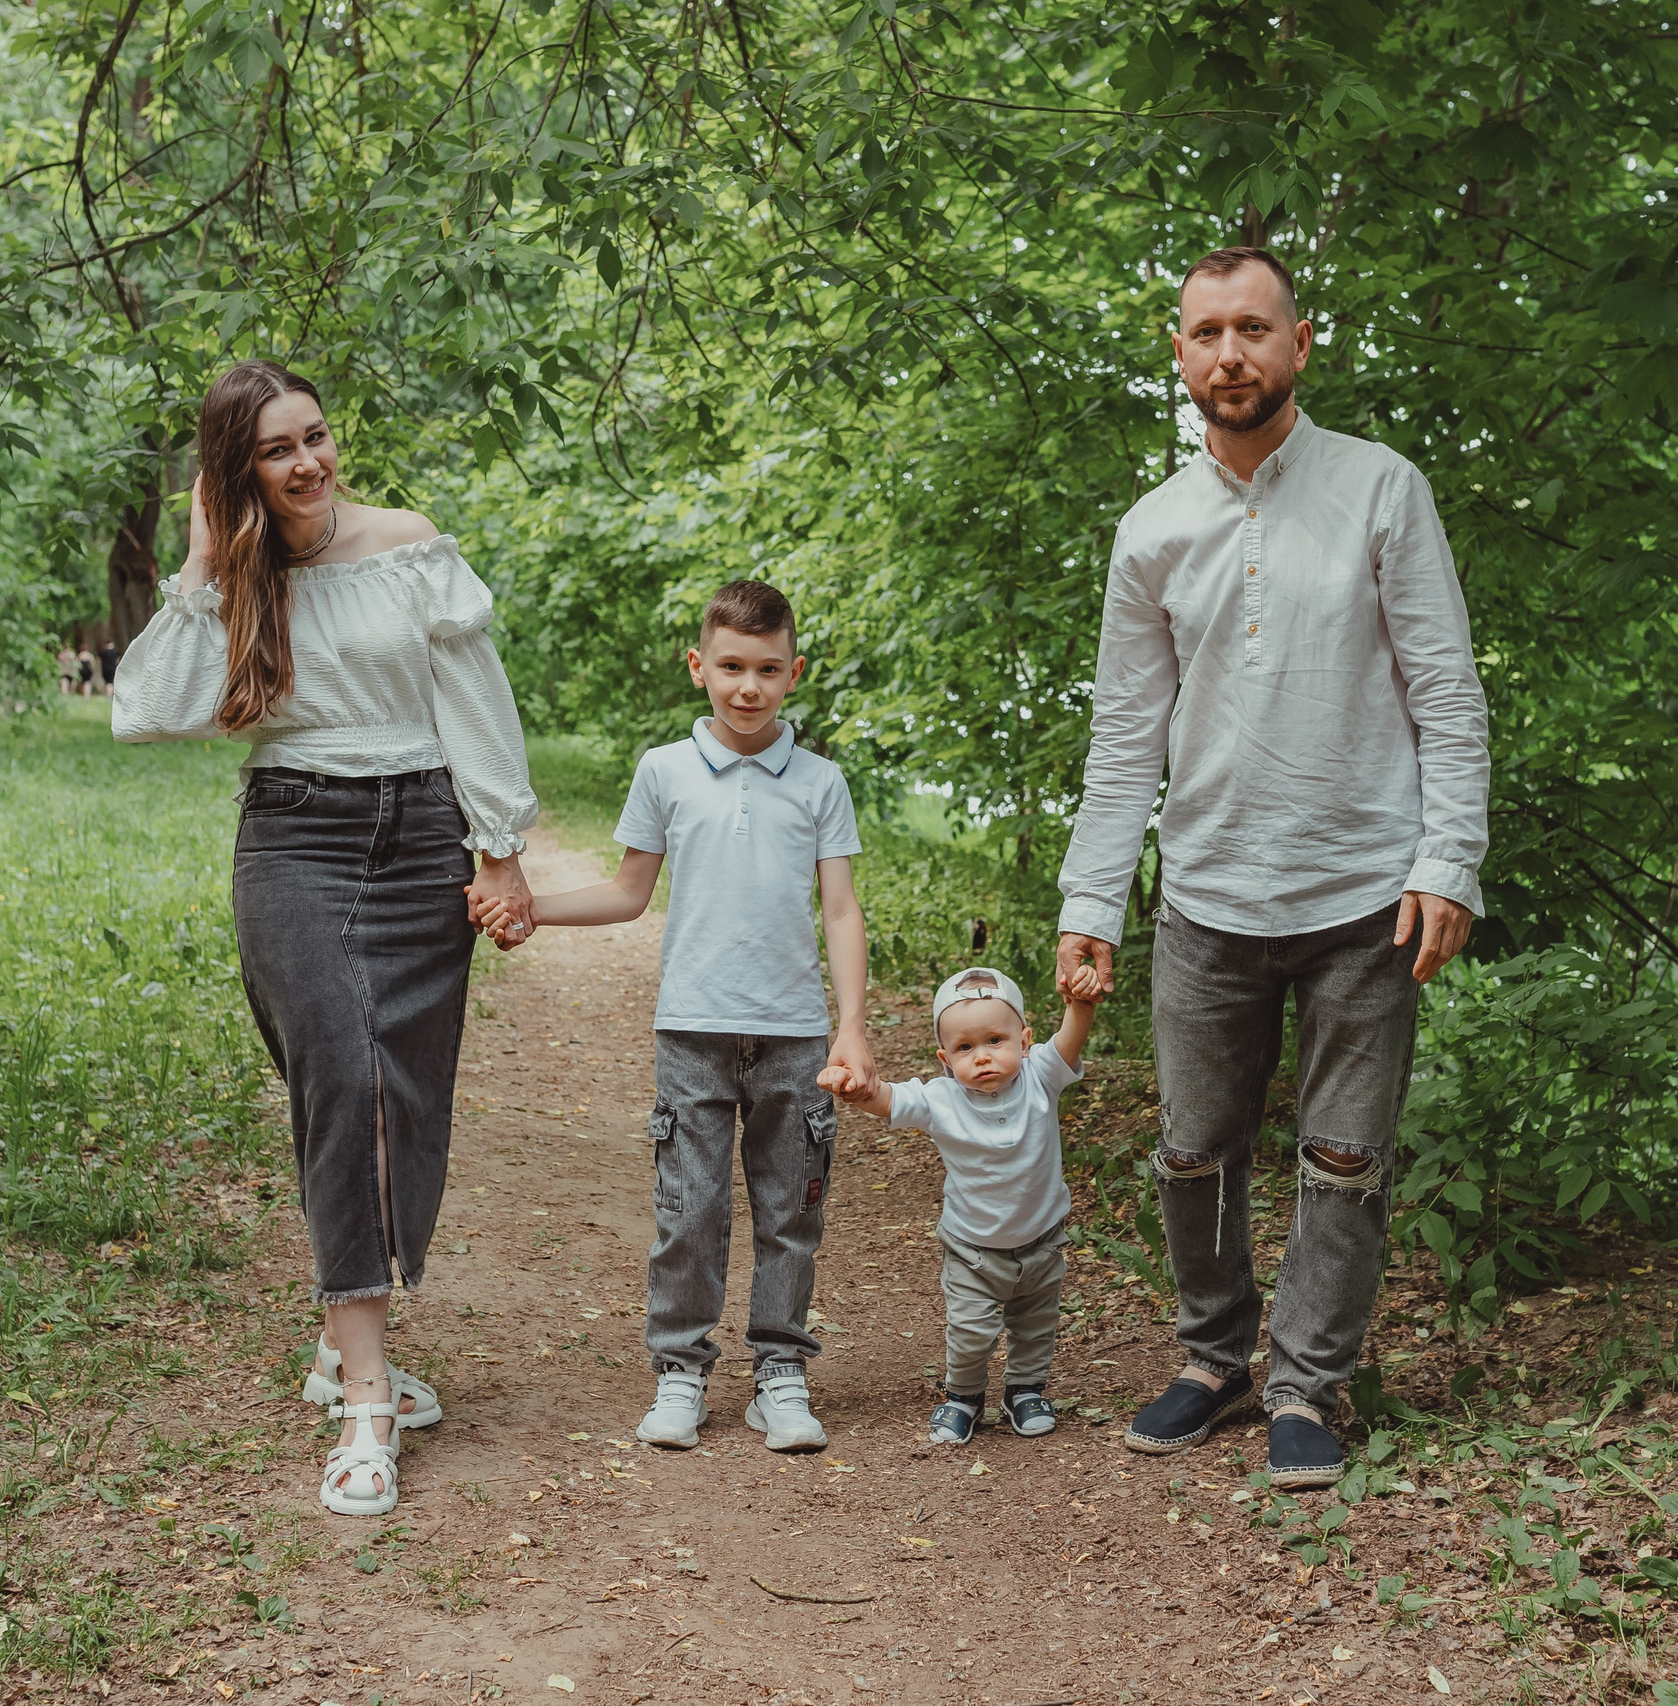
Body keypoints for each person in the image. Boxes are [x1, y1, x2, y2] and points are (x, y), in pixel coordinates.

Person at [1055, 246, 1490, 1490]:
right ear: (1176, 350)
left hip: (1366, 888)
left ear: (1301, 344)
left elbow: (1445, 692)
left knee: (1344, 1158)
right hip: (1205, 893)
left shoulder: (1379, 490)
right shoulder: (1154, 528)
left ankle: (1307, 1382)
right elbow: (1124, 735)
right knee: (1193, 1148)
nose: (1230, 353)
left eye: (1255, 328)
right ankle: (1210, 1358)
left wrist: (1447, 857)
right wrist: (1092, 900)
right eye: (1207, 332)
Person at [110, 359, 539, 1516]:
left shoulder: (407, 543)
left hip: (422, 838)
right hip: (295, 841)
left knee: (399, 1097)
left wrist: (497, 844)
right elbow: (143, 711)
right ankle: (365, 1394)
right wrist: (202, 566)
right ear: (235, 473)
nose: (308, 463)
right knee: (342, 1079)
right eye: (275, 450)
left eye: (316, 436)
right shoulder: (242, 576)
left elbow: (476, 693)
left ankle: (339, 1337)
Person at [471, 580, 873, 1454]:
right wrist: (533, 909)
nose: (748, 687)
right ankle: (681, 1371)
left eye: (768, 670)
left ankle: (780, 1373)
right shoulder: (664, 770)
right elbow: (627, 891)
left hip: (795, 1033)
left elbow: (839, 910)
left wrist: (851, 1027)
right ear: (699, 667)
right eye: (731, 666)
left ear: (793, 673)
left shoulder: (820, 782)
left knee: (788, 1211)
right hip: (691, 1029)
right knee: (688, 1209)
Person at [822, 965, 1098, 1445]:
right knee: (971, 1331)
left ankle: (1025, 1391)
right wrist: (855, 1088)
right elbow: (886, 1100)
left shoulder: (1042, 1077)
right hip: (973, 1249)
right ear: (945, 1058)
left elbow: (1070, 1040)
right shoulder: (939, 1099)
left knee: (1035, 1326)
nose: (983, 1057)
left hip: (1042, 1240)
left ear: (1025, 1039)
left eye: (996, 1040)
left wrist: (1081, 1003)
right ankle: (963, 1396)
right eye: (965, 1048)